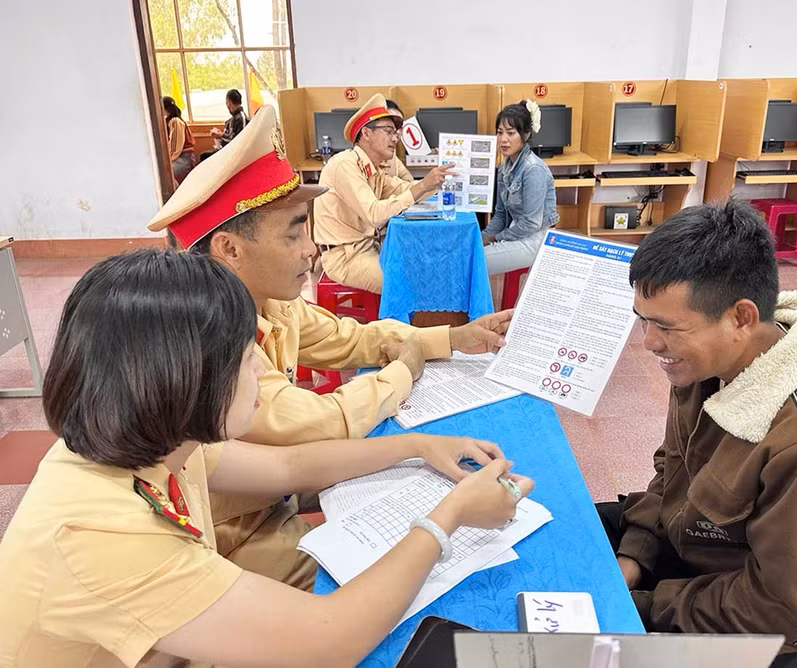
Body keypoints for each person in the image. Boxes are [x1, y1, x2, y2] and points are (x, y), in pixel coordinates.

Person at [0, 249, 532, 667]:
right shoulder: (100, 536)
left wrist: (418, 447)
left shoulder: (148, 441)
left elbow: (289, 468)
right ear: (184, 379)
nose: (262, 369)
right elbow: (333, 639)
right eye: (244, 357)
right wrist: (450, 516)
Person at [147, 105, 514, 583]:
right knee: (395, 580)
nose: (310, 249)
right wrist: (404, 369)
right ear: (231, 249)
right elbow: (320, 424)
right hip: (229, 536)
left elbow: (349, 338)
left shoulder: (269, 302)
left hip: (272, 496)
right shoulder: (209, 339)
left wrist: (450, 337)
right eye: (295, 232)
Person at [595, 199, 797, 668]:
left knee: (586, 647)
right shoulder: (710, 360)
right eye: (643, 319)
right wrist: (637, 555)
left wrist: (640, 608)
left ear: (740, 317)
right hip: (715, 558)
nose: (650, 343)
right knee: (569, 525)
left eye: (665, 327)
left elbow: (786, 614)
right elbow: (671, 472)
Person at [313, 93, 454, 294]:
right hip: (344, 257)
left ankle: (416, 323)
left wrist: (432, 183)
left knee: (424, 264)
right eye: (388, 131)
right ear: (367, 134)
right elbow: (374, 214)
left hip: (367, 247)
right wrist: (423, 186)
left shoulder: (373, 169)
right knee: (406, 283)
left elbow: (402, 188)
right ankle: (404, 325)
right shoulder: (345, 165)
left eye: (396, 132)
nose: (395, 138)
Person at [483, 100, 558, 276]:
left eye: (510, 133)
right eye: (499, 133)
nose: (503, 139)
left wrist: (495, 238)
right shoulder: (504, 168)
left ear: (525, 135)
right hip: (515, 234)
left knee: (476, 261)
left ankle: (481, 304)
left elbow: (532, 224)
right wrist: (482, 237)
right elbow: (501, 215)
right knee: (471, 251)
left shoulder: (533, 169)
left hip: (536, 239)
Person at [200, 88, 249, 161]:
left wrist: (221, 135)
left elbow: (238, 140)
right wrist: (221, 135)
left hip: (234, 154)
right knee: (204, 155)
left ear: (228, 102)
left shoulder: (241, 118)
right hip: (226, 151)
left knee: (204, 157)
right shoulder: (234, 119)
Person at [162, 96, 196, 184]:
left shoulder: (175, 121)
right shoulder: (168, 121)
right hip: (179, 157)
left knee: (166, 175)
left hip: (185, 158)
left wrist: (168, 160)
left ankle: (177, 196)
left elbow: (176, 147)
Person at [384, 98, 414, 182]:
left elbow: (407, 177)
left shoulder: (391, 156)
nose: (396, 132)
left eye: (399, 126)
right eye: (390, 126)